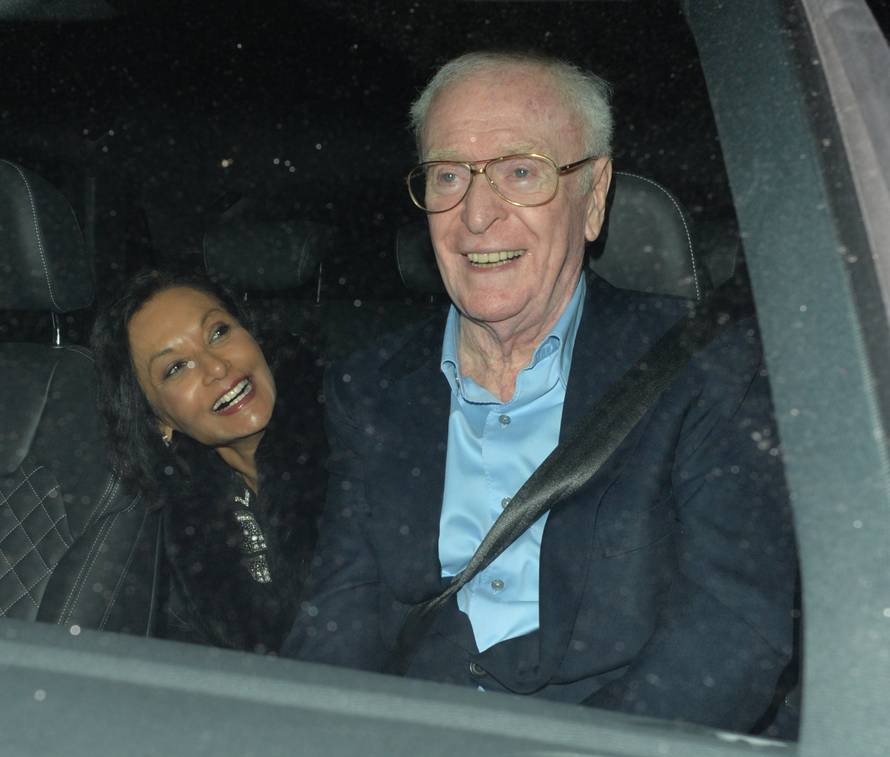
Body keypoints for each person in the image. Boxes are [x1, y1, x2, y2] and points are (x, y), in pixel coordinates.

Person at [283, 51, 797, 732]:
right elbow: (341, 610)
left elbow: (733, 633)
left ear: (594, 196)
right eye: (448, 176)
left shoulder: (706, 368)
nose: (475, 217)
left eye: (520, 172)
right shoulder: (369, 386)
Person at [91, 269, 325, 653]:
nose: (217, 368)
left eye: (218, 333)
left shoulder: (363, 442)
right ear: (157, 420)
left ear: (252, 334)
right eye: (176, 367)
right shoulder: (167, 529)